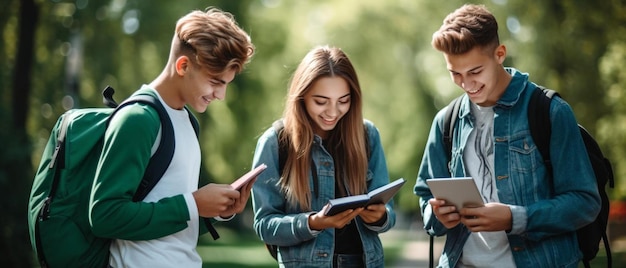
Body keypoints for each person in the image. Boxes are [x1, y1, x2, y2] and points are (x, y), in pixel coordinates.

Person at [414, 4, 601, 268]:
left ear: (500, 54)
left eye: (475, 72)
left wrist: (516, 218)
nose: (466, 84)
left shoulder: (549, 111)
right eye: (455, 73)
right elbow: (425, 194)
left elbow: (585, 202)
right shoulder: (446, 121)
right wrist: (437, 217)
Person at [88, 7, 255, 267]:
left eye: (226, 84)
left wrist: (217, 211)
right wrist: (194, 203)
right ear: (184, 65)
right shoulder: (138, 120)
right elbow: (105, 216)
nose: (220, 95)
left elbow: (170, 220)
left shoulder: (188, 122)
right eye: (215, 82)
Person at [251, 45, 395, 268]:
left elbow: (389, 214)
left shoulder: (368, 136)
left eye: (343, 100)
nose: (333, 112)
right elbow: (264, 225)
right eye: (321, 101)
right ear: (302, 96)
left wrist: (380, 216)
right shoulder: (275, 143)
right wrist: (312, 223)